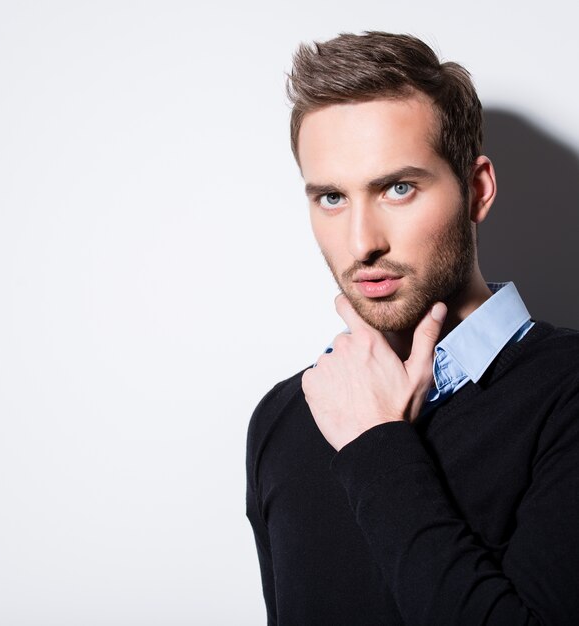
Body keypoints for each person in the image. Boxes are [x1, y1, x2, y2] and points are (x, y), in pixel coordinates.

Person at [245, 31, 579, 625]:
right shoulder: (285, 417)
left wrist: (377, 446)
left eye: (398, 188)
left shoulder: (567, 394)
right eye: (330, 197)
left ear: (477, 190)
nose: (361, 242)